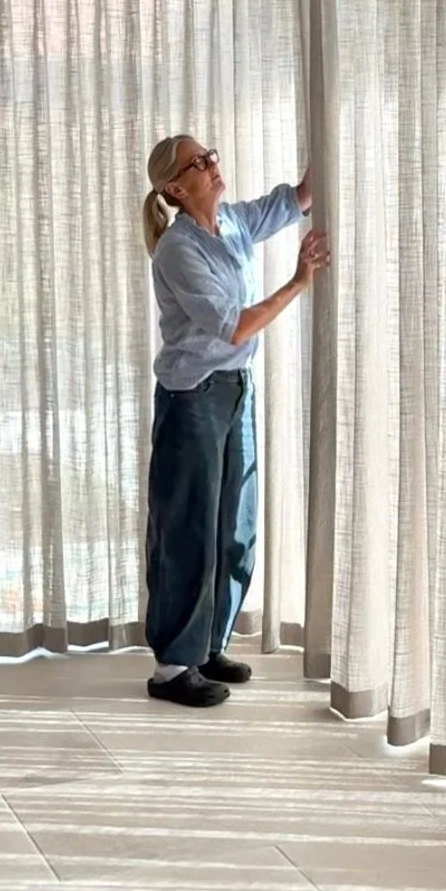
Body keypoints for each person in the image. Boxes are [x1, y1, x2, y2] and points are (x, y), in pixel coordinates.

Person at [140, 135, 329, 708]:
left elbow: (300, 197)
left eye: (211, 154)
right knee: (190, 529)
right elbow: (234, 327)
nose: (213, 164)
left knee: (235, 526)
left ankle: (208, 645)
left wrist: (332, 131)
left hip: (234, 390)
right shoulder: (178, 249)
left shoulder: (235, 222)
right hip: (192, 396)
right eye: (199, 163)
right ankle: (173, 667)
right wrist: (298, 282)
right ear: (176, 188)